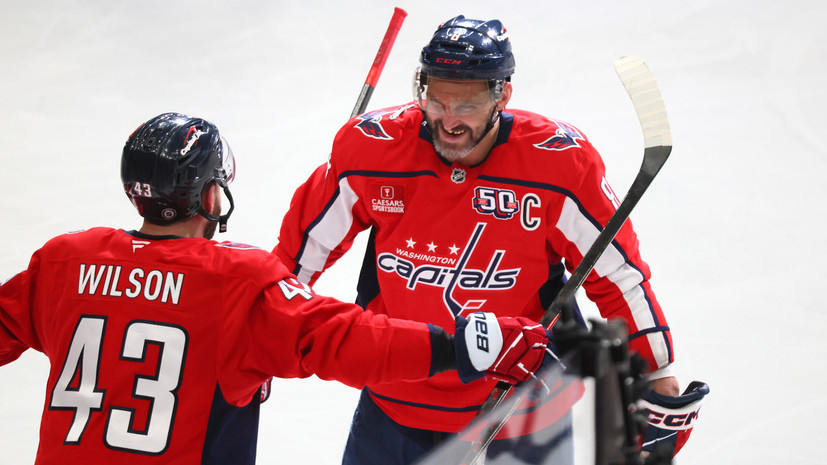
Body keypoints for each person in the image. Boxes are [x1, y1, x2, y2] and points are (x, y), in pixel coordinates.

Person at [0, 112, 559, 464]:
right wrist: (464, 344)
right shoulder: (235, 282)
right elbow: (349, 339)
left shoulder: (62, 262)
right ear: (211, 197)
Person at [274, 15, 698, 465]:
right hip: (395, 400)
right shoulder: (372, 149)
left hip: (525, 412)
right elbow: (300, 253)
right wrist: (263, 328)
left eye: (467, 106)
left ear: (503, 95)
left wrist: (658, 372)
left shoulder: (559, 165)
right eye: (435, 102)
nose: (448, 122)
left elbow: (617, 277)